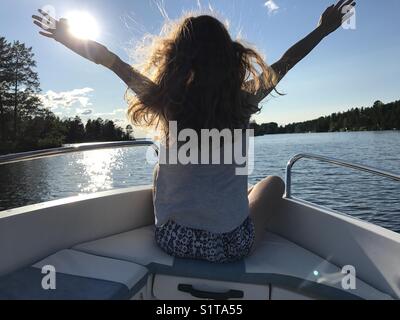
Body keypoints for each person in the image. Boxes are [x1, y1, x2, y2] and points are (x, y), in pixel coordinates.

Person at [32, 0, 356, 263]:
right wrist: (323, 30)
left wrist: (66, 37)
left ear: (177, 58)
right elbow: (288, 60)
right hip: (233, 245)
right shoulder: (244, 99)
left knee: (164, 169)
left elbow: (112, 61)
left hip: (173, 241)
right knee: (272, 183)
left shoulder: (165, 100)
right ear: (229, 56)